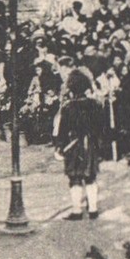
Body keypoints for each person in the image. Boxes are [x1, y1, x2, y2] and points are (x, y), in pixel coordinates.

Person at [55, 69, 106, 220]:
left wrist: (59, 146)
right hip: (91, 145)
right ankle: (93, 209)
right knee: (90, 176)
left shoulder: (68, 107)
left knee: (75, 178)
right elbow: (101, 128)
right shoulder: (95, 105)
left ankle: (77, 210)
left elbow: (62, 131)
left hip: (73, 146)